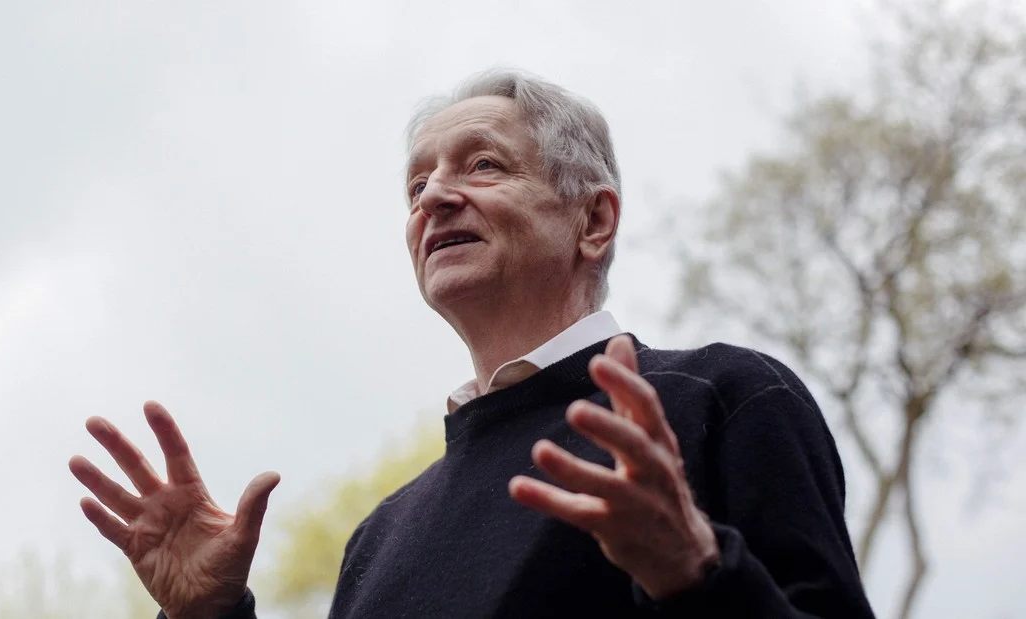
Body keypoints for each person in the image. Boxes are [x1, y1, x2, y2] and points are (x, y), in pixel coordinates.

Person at [68, 69, 877, 618]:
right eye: (416, 186)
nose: (436, 198)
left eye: (483, 165)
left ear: (593, 220)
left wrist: (696, 572)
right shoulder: (381, 537)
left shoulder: (726, 399)